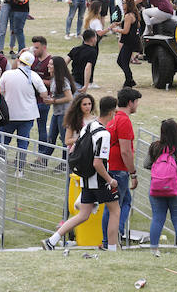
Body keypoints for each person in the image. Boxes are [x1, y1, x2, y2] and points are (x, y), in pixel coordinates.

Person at [42, 95, 121, 251]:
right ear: (112, 112)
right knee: (115, 211)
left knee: (83, 214)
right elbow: (98, 163)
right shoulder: (104, 134)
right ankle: (112, 249)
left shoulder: (89, 126)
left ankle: (52, 240)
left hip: (85, 177)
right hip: (98, 179)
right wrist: (110, 180)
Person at [144, 119, 177, 256]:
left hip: (157, 186)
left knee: (157, 218)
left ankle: (154, 249)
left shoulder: (155, 147)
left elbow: (146, 164)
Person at [103, 87, 142, 246]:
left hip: (109, 166)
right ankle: (111, 238)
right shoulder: (124, 120)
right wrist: (133, 173)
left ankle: (111, 238)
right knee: (115, 206)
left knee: (122, 202)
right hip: (119, 169)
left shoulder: (112, 117)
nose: (137, 105)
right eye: (137, 102)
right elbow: (126, 151)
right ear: (131, 102)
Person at [0, 51, 49, 176]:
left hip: (9, 114)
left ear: (18, 61)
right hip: (27, 115)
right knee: (23, 143)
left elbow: (0, 90)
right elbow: (44, 94)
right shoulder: (34, 76)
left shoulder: (7, 74)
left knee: (3, 141)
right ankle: (19, 169)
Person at [109, 0, 140, 88]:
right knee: (121, 61)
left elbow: (126, 31)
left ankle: (129, 81)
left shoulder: (128, 16)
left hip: (128, 41)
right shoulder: (132, 14)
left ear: (128, 4)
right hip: (131, 41)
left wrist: (116, 30)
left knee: (123, 62)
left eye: (124, 3)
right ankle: (130, 79)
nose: (122, 5)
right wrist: (119, 23)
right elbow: (136, 25)